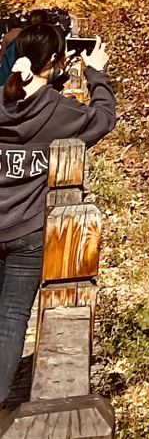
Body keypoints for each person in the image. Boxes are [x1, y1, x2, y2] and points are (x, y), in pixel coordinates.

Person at [0, 20, 115, 408]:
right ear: (56, 59)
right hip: (28, 230)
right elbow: (102, 118)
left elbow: (23, 95)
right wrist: (96, 73)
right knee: (11, 318)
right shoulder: (60, 113)